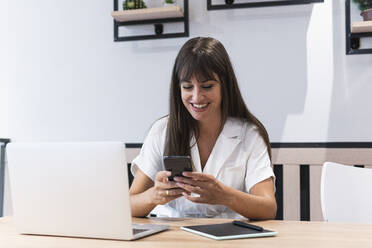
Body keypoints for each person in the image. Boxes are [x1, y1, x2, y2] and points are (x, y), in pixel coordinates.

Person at [129, 37, 277, 219]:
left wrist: (225, 196)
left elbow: (268, 207)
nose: (197, 97)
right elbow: (129, 205)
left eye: (207, 86)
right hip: (173, 237)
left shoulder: (249, 134)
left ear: (225, 86)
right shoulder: (162, 130)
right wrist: (154, 196)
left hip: (230, 239)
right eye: (187, 87)